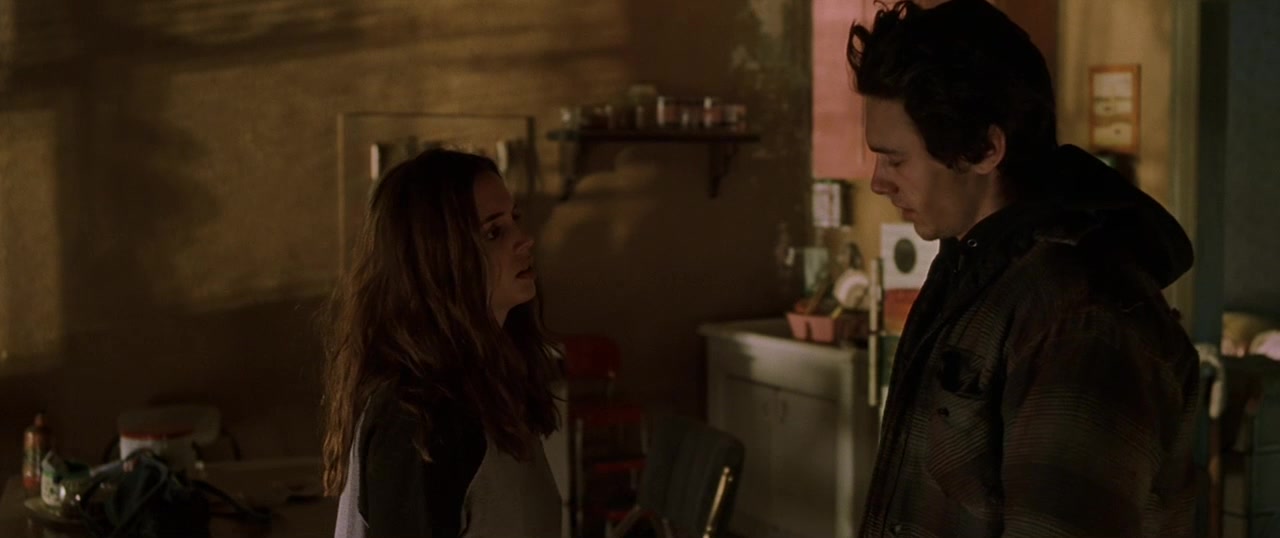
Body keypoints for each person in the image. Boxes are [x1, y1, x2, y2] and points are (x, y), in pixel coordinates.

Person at [846, 1, 1199, 537]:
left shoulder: (1079, 319)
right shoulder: (972, 271)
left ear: (986, 150)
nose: (878, 181)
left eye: (896, 159)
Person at [321, 148, 562, 537]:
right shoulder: (419, 419)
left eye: (514, 219)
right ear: (439, 259)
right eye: (493, 232)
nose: (525, 240)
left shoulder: (492, 385)